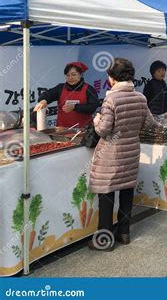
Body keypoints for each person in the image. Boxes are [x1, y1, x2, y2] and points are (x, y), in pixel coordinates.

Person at [89, 58, 156, 251]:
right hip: (132, 150)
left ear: (112, 78)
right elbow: (149, 124)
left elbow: (103, 130)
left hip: (111, 154)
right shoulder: (140, 97)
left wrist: (97, 119)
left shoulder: (111, 99)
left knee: (106, 194)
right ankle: (124, 233)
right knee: (127, 192)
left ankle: (104, 241)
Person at [33, 61, 100, 128]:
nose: (70, 78)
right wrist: (43, 100)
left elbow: (92, 107)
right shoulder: (60, 88)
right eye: (67, 75)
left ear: (81, 74)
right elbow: (48, 94)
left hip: (83, 130)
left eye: (73, 75)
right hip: (62, 130)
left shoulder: (89, 89)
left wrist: (75, 107)